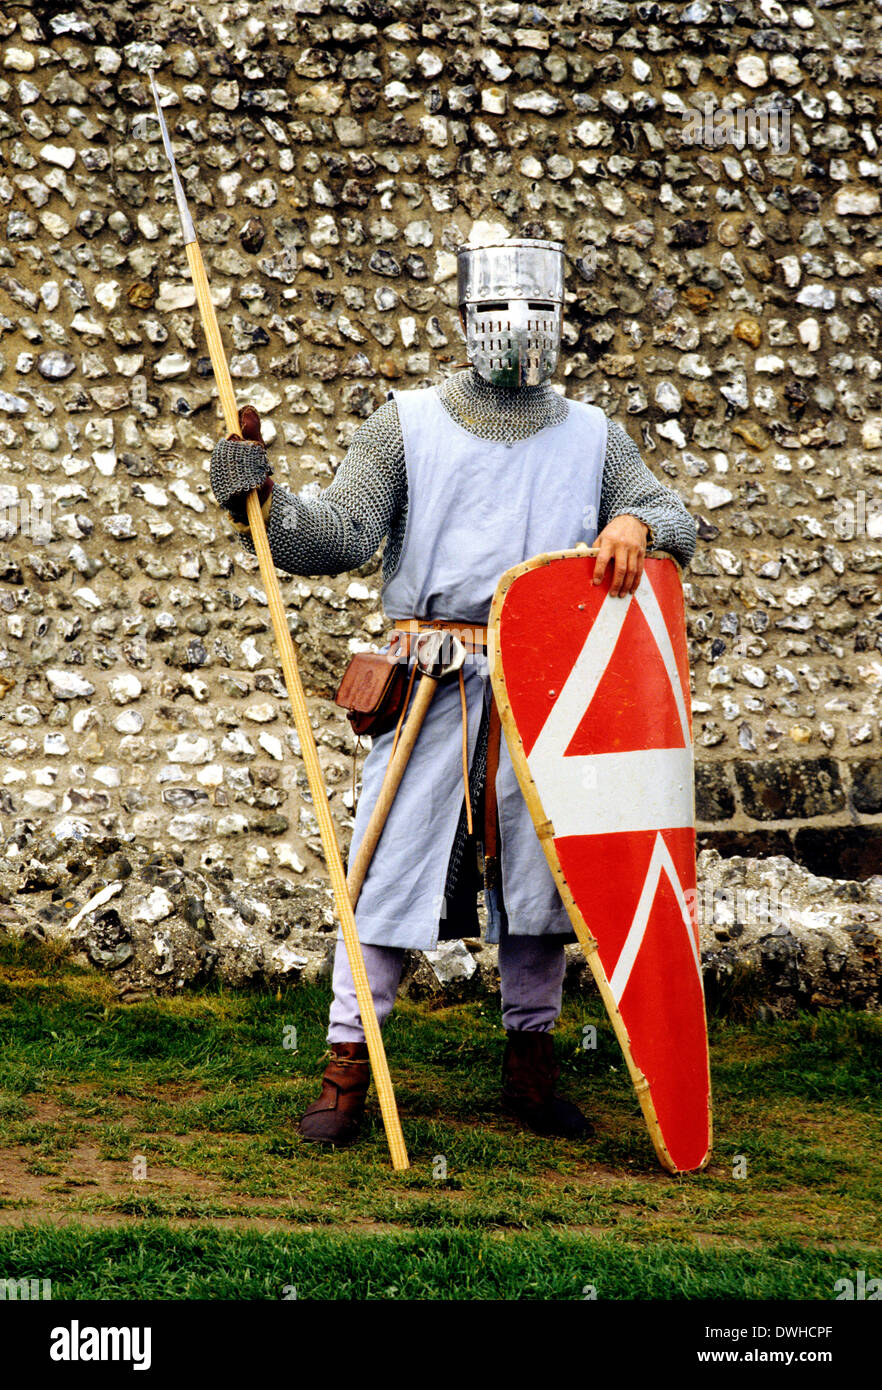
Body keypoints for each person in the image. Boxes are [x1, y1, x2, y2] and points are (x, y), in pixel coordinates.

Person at [210, 235, 698, 1148]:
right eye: (501, 311)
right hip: (428, 676)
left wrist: (634, 518)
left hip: (546, 689)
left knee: (543, 886)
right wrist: (267, 503)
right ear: (466, 317)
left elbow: (678, 521)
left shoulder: (595, 438)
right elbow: (338, 536)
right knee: (386, 869)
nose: (518, 329)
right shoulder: (406, 424)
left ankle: (530, 1067)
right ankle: (347, 1073)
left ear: (559, 320)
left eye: (537, 312)